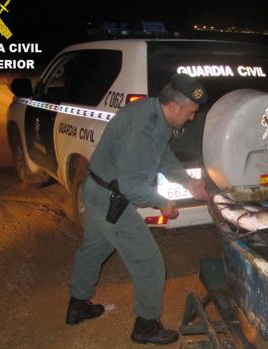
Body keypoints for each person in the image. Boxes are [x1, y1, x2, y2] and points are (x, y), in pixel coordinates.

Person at [65, 74, 209, 345]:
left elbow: (163, 155)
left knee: (95, 247)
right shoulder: (145, 128)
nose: (191, 118)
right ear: (175, 106)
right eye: (191, 113)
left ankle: (78, 304)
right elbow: (131, 186)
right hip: (110, 198)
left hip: (97, 191)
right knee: (150, 263)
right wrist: (163, 203)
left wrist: (188, 182)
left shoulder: (154, 113)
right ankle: (146, 325)